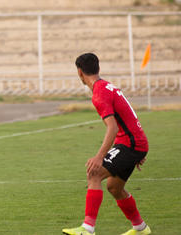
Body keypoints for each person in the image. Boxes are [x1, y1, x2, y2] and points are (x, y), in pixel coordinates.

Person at [62, 53, 150, 235]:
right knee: (114, 187)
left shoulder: (99, 93)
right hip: (134, 143)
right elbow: (126, 119)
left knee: (94, 173)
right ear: (98, 68)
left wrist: (99, 157)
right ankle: (141, 228)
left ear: (79, 72)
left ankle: (87, 228)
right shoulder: (107, 86)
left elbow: (113, 127)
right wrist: (138, 149)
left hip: (131, 143)